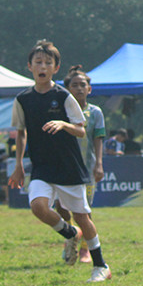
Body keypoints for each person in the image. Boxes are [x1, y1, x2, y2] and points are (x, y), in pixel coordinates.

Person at [7, 40, 112, 282]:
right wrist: (18, 165)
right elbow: (21, 133)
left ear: (55, 68)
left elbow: (81, 130)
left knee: (83, 217)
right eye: (38, 62)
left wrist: (64, 124)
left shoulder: (63, 97)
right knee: (38, 207)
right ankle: (69, 233)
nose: (42, 66)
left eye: (48, 62)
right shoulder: (22, 100)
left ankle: (101, 267)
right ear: (30, 66)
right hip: (42, 167)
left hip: (68, 167)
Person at [56, 64, 107, 265]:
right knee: (60, 207)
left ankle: (87, 249)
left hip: (86, 169)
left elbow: (98, 139)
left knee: (84, 211)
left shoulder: (95, 113)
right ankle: (71, 236)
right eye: (74, 85)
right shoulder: (61, 112)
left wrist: (99, 164)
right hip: (63, 168)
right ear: (68, 89)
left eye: (82, 85)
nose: (79, 88)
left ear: (89, 89)